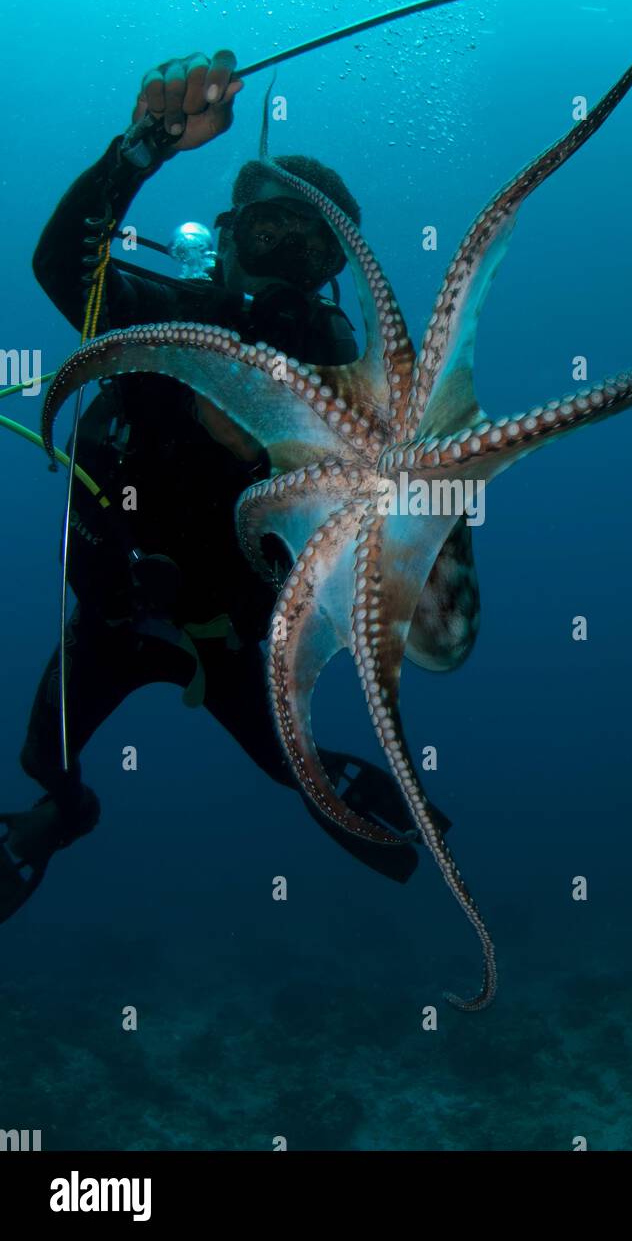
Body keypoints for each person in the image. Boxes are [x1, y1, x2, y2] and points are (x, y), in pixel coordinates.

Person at [0, 49, 447, 921]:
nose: (289, 260)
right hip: (115, 617)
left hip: (228, 634)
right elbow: (63, 269)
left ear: (334, 268)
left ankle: (357, 807)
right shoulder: (163, 321)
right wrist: (143, 149)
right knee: (41, 762)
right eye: (272, 230)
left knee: (290, 764)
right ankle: (62, 816)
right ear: (230, 236)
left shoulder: (343, 381)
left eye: (316, 244)